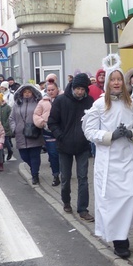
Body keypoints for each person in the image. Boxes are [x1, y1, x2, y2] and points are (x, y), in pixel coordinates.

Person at [82, 55, 133, 257]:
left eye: (119, 79)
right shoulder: (99, 105)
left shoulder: (132, 104)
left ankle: (123, 232)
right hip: (109, 162)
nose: (116, 82)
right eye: (113, 79)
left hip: (128, 158)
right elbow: (89, 131)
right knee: (113, 200)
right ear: (108, 83)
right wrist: (110, 136)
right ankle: (120, 240)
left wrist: (131, 134)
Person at [48, 72, 93, 220]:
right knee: (66, 177)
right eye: (77, 88)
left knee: (83, 178)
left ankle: (83, 209)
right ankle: (66, 201)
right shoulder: (60, 100)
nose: (80, 92)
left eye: (83, 89)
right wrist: (60, 136)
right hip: (64, 146)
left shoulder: (89, 102)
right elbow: (52, 122)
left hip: (82, 146)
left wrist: (89, 136)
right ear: (72, 87)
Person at [10, 84, 44, 183]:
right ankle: (33, 169)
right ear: (21, 93)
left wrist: (39, 124)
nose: (27, 94)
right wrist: (14, 128)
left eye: (29, 92)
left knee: (35, 156)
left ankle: (35, 175)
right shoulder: (17, 104)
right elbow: (11, 118)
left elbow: (43, 115)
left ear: (33, 92)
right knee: (24, 156)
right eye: (25, 92)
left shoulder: (38, 103)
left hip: (35, 133)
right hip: (20, 134)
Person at [34, 80, 61, 186]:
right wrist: (41, 122)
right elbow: (36, 114)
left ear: (57, 89)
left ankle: (64, 172)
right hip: (48, 131)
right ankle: (56, 175)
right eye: (48, 90)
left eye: (52, 90)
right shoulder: (42, 102)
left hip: (62, 131)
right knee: (53, 154)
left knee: (63, 154)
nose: (50, 92)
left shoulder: (63, 99)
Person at [0, 92, 14, 161]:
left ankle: (10, 151)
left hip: (6, 127)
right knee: (0, 142)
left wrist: (6, 125)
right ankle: (2, 157)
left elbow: (10, 117)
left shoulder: (7, 107)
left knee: (6, 141)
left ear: (1, 99)